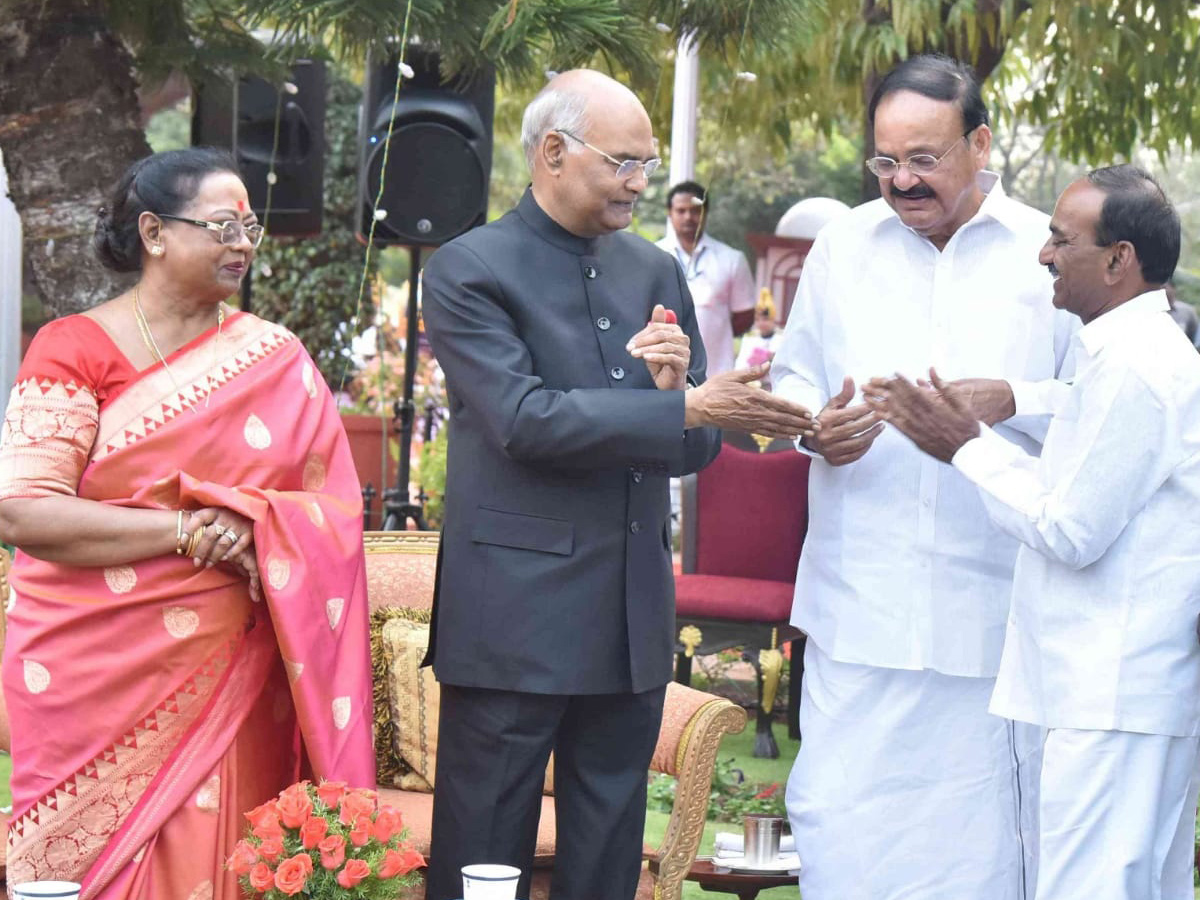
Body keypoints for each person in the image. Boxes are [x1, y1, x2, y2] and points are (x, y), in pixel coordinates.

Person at [419, 69, 816, 900]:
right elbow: (525, 419)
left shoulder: (652, 271)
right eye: (623, 163)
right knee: (484, 853)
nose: (643, 183)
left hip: (629, 615)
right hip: (514, 621)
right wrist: (677, 412)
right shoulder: (467, 268)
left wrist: (685, 408)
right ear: (554, 153)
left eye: (648, 164)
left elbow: (692, 445)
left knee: (606, 858)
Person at [0, 148, 375, 898]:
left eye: (251, 228)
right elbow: (24, 507)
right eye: (223, 225)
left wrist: (259, 526)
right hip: (89, 670)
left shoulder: (275, 359)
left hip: (229, 673)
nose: (242, 242)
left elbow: (329, 509)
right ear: (154, 232)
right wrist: (187, 530)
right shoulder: (73, 348)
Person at [770, 53, 1078, 900]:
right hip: (858, 598)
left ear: (980, 143)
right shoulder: (842, 246)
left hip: (993, 609)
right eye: (885, 161)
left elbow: (1098, 397)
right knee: (843, 818)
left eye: (923, 160)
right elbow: (793, 377)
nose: (901, 182)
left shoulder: (1046, 252)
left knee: (979, 843)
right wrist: (813, 429)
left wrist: (1009, 398)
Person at [868, 165, 1200, 900]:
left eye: (1060, 239)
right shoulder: (1124, 356)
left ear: (1120, 261)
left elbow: (1069, 527)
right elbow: (1083, 411)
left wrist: (964, 445)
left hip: (1108, 697)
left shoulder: (1138, 368)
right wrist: (1011, 398)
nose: (1044, 254)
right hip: (1110, 694)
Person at [656, 181, 757, 375]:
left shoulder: (731, 259)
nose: (688, 217)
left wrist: (710, 328)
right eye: (681, 210)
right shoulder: (653, 255)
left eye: (695, 210)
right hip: (662, 372)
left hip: (716, 371)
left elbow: (744, 317)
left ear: (706, 212)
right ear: (670, 213)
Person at [733, 289, 783, 387]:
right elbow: (741, 363)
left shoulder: (781, 339)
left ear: (773, 320)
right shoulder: (749, 339)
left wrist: (771, 357)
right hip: (752, 383)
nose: (761, 323)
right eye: (758, 320)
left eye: (765, 319)